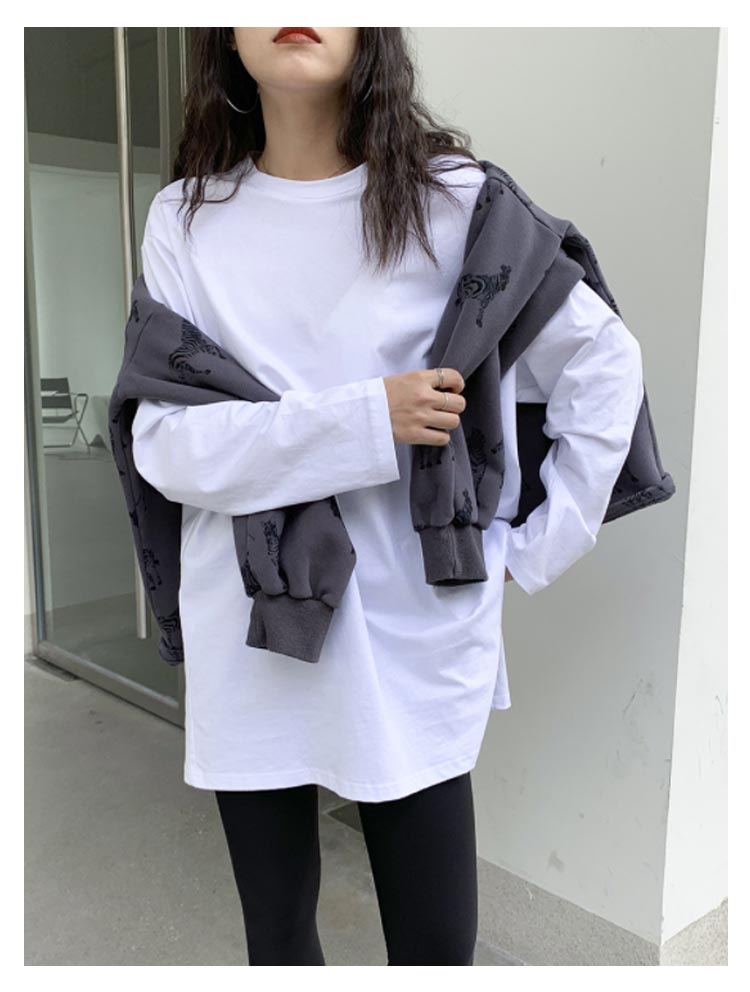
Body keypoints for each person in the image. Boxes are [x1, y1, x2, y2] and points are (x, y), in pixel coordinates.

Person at [130, 27, 644, 966]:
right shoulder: (187, 218)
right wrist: (372, 420)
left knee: (436, 949)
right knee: (277, 938)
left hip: (413, 639)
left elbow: (604, 365)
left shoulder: (455, 202)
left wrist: (527, 553)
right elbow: (166, 445)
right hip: (246, 635)